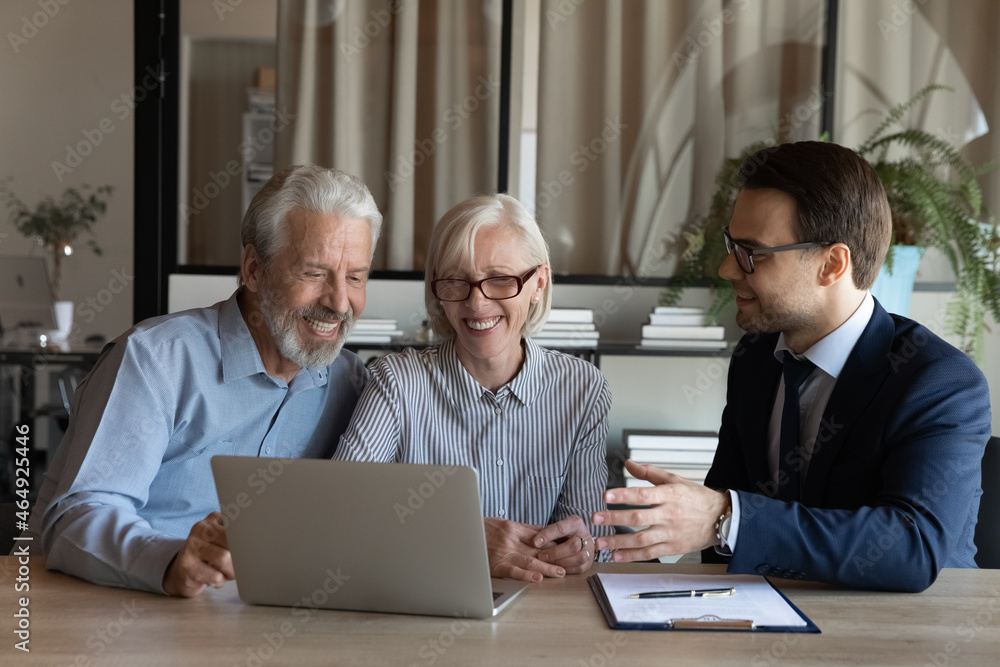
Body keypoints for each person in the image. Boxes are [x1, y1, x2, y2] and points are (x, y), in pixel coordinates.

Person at [591, 141, 991, 592]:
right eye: (731, 245)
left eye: (752, 253)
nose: (727, 269)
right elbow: (721, 534)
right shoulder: (755, 359)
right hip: (769, 614)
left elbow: (911, 547)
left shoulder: (939, 382)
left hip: (912, 626)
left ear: (832, 264)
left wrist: (726, 517)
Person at [26, 164, 381, 596]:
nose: (340, 302)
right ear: (254, 269)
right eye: (314, 273)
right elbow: (74, 520)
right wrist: (169, 560)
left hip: (255, 620)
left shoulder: (351, 382)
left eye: (355, 277)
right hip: (107, 609)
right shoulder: (155, 360)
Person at [334, 194, 613, 582]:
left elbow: (593, 541)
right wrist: (462, 536)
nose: (477, 303)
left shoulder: (582, 390)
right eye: (455, 281)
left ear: (538, 283)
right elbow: (340, 514)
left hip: (539, 601)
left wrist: (583, 548)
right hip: (423, 596)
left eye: (500, 280)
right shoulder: (396, 382)